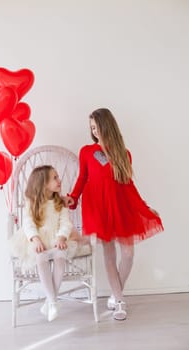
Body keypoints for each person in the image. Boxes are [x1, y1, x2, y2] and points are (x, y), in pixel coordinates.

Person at [65, 108, 164, 321]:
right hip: (97, 208)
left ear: (107, 126)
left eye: (97, 127)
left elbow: (128, 185)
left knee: (128, 254)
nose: (95, 132)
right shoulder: (86, 152)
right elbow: (82, 178)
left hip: (119, 207)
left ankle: (115, 293)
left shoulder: (123, 153)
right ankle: (119, 301)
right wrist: (73, 198)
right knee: (109, 255)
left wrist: (145, 208)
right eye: (91, 128)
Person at [22, 165, 74, 322]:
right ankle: (53, 301)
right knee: (40, 257)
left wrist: (62, 237)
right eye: (55, 178)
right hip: (39, 240)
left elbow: (66, 223)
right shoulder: (32, 202)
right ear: (43, 184)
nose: (60, 180)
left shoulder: (60, 202)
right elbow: (28, 223)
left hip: (57, 239)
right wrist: (35, 239)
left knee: (60, 255)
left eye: (58, 177)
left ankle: (51, 302)